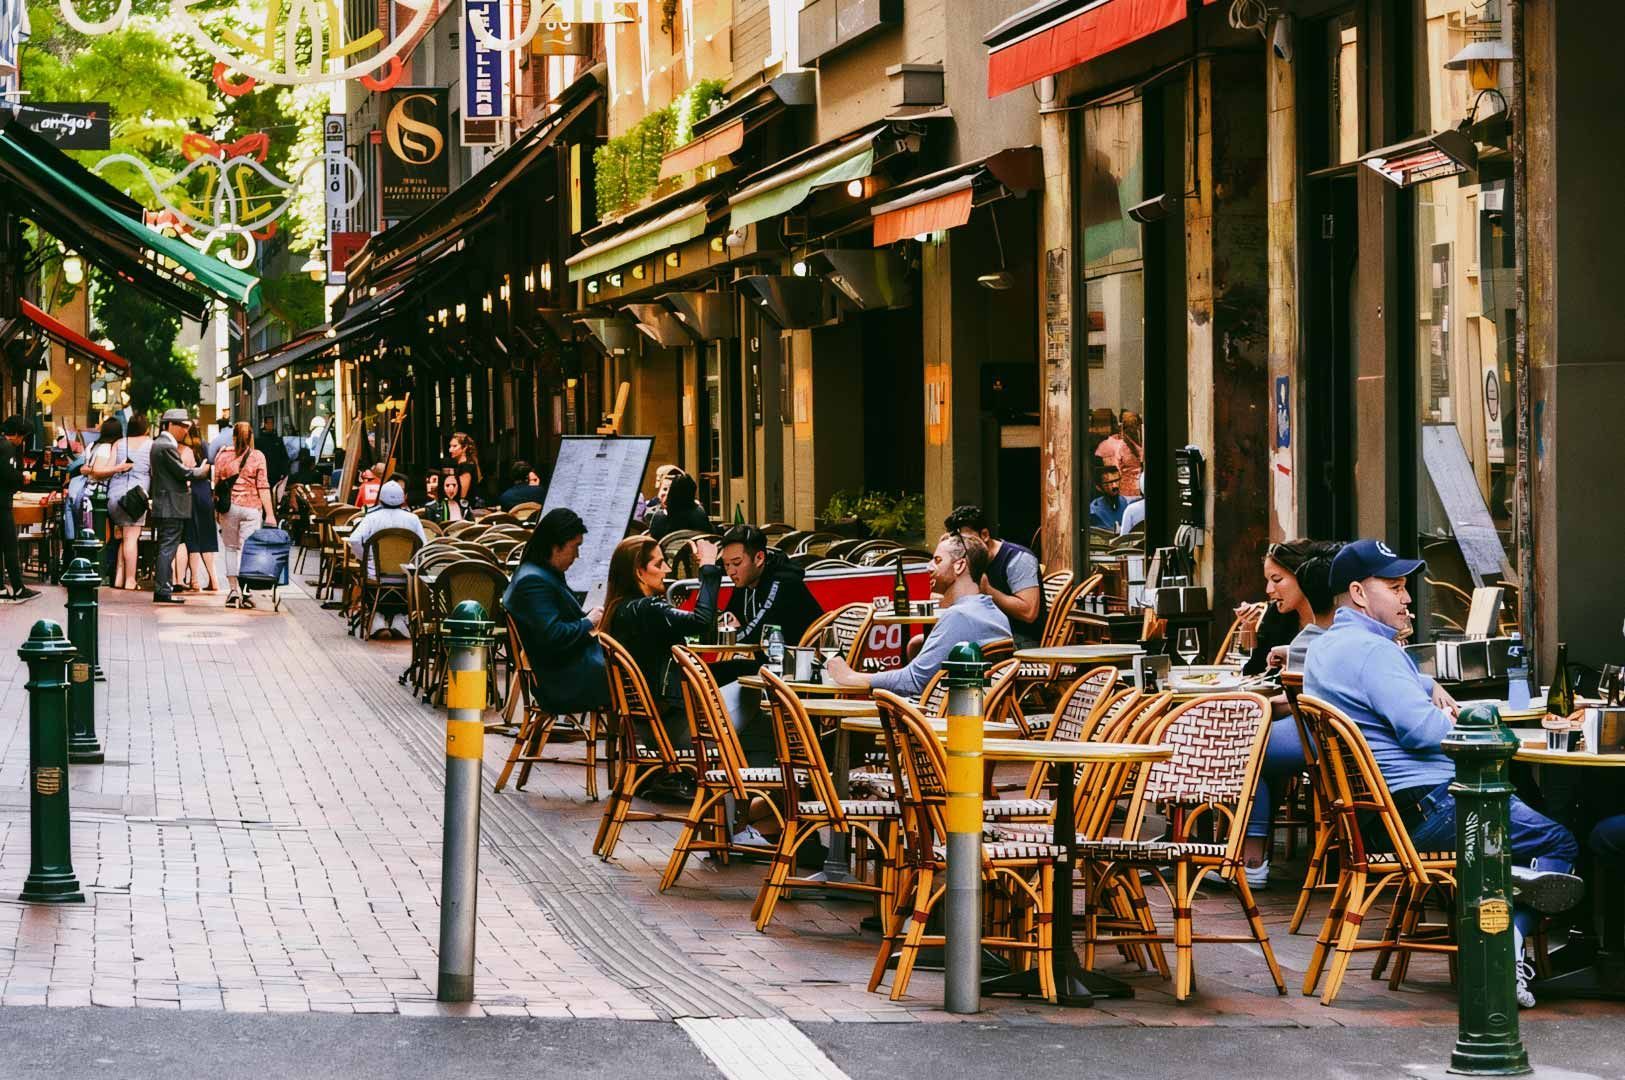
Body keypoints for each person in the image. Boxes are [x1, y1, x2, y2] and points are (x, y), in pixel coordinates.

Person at [1303, 538, 1582, 1007]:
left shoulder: (1327, 648)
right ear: (1357, 592)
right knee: (1560, 840)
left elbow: (1391, 697)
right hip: (1427, 809)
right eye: (1394, 587)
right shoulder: (1376, 653)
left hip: (1378, 818)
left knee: (1525, 821)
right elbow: (1423, 731)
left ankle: (1504, 890)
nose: (1407, 597)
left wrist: (1424, 681)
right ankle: (1501, 948)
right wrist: (1452, 716)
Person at [1236, 539, 1343, 886]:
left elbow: (1325, 690)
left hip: (1322, 729)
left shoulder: (1339, 625)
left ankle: (1251, 861)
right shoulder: (1288, 625)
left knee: (1244, 749)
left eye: (1277, 579)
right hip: (1301, 721)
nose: (1269, 590)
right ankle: (1249, 858)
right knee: (1249, 741)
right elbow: (1254, 670)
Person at [826, 533, 1011, 696]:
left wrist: (851, 676)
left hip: (938, 724)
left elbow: (912, 681)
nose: (928, 567)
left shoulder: (959, 616)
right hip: (975, 714)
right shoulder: (995, 614)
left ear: (959, 565)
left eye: (937, 560)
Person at [605, 535, 721, 746]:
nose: (667, 569)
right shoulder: (648, 609)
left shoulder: (618, 609)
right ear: (639, 572)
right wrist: (708, 567)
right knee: (759, 714)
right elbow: (701, 621)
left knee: (744, 670)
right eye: (659, 564)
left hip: (647, 722)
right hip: (674, 726)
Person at [502, 508, 608, 714]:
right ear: (555, 546)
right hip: (563, 682)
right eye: (575, 547)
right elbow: (553, 635)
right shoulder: (534, 581)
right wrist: (589, 621)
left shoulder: (538, 572)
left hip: (566, 670)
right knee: (635, 674)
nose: (577, 555)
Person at [944, 505, 1045, 648]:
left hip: (1020, 639)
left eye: (967, 541)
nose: (962, 546)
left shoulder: (1019, 559)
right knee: (918, 642)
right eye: (957, 542)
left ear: (984, 535)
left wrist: (988, 591)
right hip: (983, 631)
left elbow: (1028, 613)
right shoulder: (964, 559)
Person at [716, 524, 823, 648]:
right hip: (770, 661)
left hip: (800, 662)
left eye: (736, 563)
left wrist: (729, 633)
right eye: (727, 565)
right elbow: (727, 619)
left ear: (759, 558)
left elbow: (759, 632)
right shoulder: (744, 580)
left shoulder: (782, 582)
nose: (731, 571)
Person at [347, 479, 426, 638]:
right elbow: (424, 546)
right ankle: (400, 619)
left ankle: (376, 618)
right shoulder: (413, 519)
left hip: (375, 577)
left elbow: (354, 540)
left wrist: (366, 559)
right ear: (403, 499)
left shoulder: (371, 518)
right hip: (405, 578)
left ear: (380, 498)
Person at [148, 409, 211, 605]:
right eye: (182, 426)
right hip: (171, 505)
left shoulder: (161, 444)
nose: (185, 430)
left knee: (167, 547)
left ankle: (163, 589)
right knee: (168, 548)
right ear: (170, 425)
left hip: (168, 503)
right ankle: (163, 590)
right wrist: (202, 471)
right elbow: (183, 473)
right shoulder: (166, 445)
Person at [213, 421, 277, 609]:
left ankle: (233, 592)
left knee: (231, 549)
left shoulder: (222, 456)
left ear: (233, 437)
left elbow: (216, 486)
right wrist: (270, 514)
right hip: (252, 509)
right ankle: (246, 590)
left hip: (228, 508)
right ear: (251, 437)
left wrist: (216, 511)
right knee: (246, 550)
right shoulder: (258, 456)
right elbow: (263, 486)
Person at [106, 414, 153, 591]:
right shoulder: (150, 445)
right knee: (131, 539)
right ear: (146, 428)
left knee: (123, 539)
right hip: (136, 498)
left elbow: (110, 467)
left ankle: (119, 578)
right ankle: (130, 580)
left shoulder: (119, 443)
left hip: (115, 495)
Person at [0, 416, 38, 600]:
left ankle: (1, 588)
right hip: (2, 503)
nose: (21, 442)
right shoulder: (6, 448)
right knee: (10, 546)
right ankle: (18, 587)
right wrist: (22, 478)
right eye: (22, 437)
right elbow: (7, 475)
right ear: (15, 434)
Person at [180, 423, 219, 593]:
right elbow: (209, 469)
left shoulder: (183, 448)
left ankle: (194, 580)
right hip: (204, 492)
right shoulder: (204, 446)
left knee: (192, 537)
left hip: (189, 492)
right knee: (207, 536)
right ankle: (214, 579)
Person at [1096, 408, 1144, 498]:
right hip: (1128, 492)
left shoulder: (1135, 443)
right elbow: (1115, 470)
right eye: (1129, 425)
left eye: (1134, 424)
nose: (1133, 429)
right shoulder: (1117, 444)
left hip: (1135, 491)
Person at [648, 473, 710, 539]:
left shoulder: (659, 518)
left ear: (671, 494)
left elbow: (654, 541)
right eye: (664, 489)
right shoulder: (700, 514)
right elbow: (710, 533)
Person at [257, 414, 291, 503]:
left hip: (275, 473)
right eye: (268, 423)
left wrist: (284, 471)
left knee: (274, 495)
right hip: (264, 473)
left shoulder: (278, 440)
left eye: (272, 423)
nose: (270, 425)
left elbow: (284, 457)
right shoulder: (259, 440)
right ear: (264, 424)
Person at [1088, 463, 1130, 531]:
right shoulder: (1094, 512)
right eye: (1110, 483)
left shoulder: (1127, 504)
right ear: (1098, 487)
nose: (1115, 486)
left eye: (1116, 481)